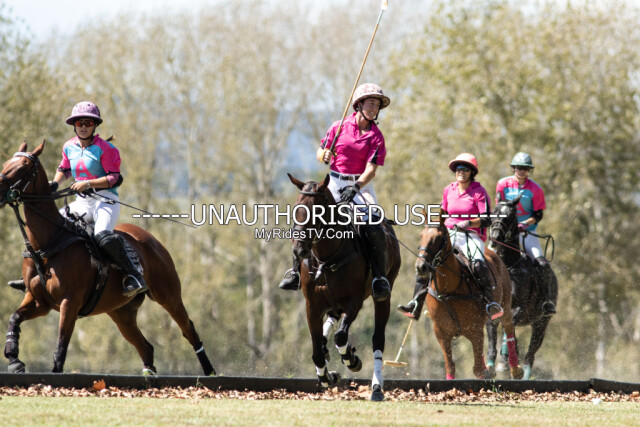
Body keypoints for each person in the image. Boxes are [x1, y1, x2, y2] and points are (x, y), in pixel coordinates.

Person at [9, 102, 147, 298]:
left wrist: (87, 184)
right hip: (82, 203)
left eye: (87, 123)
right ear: (74, 125)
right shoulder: (69, 147)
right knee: (47, 228)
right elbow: (64, 169)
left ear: (94, 125)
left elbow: (114, 178)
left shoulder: (106, 148)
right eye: (79, 123)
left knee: (103, 236)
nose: (83, 127)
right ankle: (30, 275)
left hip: (105, 201)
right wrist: (55, 183)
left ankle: (133, 275)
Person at [278, 83, 391, 301]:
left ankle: (379, 278)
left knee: (374, 225)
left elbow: (371, 170)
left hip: (360, 185)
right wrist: (324, 155)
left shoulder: (376, 136)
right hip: (334, 182)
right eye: (370, 103)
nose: (374, 108)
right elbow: (321, 150)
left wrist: (355, 187)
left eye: (377, 105)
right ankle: (294, 272)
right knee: (306, 215)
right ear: (359, 105)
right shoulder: (339, 127)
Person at [398, 153, 504, 321]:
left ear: (472, 172)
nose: (460, 171)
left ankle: (490, 303)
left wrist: (468, 223)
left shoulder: (479, 192)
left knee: (478, 263)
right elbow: (443, 212)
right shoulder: (449, 190)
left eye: (465, 169)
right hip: (449, 233)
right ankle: (416, 303)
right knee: (426, 258)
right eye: (458, 168)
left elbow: (486, 219)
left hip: (470, 235)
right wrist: (434, 223)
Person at [496, 152, 556, 316]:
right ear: (513, 168)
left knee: (542, 264)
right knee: (488, 260)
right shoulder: (502, 184)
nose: (521, 171)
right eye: (518, 167)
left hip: (527, 232)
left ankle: (546, 300)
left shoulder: (535, 189)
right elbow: (500, 208)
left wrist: (524, 224)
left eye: (525, 168)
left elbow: (538, 214)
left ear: (529, 170)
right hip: (506, 234)